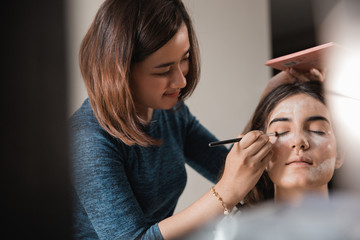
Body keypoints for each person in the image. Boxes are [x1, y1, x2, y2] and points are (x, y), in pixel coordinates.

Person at [70, 0, 323, 239]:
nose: (181, 81)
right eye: (163, 70)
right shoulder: (88, 141)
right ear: (120, 71)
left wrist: (268, 102)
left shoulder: (171, 113)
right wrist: (225, 193)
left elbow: (227, 166)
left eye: (185, 58)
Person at [241, 80, 344, 207]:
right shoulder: (237, 226)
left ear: (339, 153)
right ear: (260, 150)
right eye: (282, 132)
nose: (298, 141)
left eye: (317, 130)